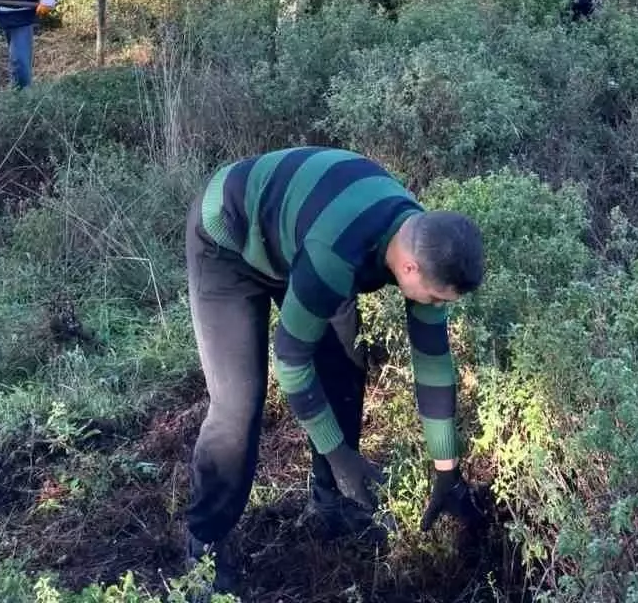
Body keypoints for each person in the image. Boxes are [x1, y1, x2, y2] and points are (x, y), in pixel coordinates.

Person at [184, 147, 484, 594]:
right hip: (229, 242)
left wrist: (447, 472)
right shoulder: (338, 252)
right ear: (408, 267)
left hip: (300, 240)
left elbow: (434, 362)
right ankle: (203, 547)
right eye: (437, 299)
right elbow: (291, 359)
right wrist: (342, 457)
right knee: (238, 404)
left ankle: (330, 504)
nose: (438, 308)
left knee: (344, 366)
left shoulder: (426, 242)